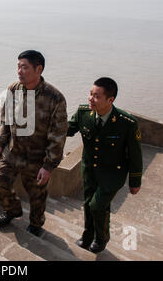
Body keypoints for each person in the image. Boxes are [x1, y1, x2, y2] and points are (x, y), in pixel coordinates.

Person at [0, 50, 68, 236]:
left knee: (37, 195)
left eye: (24, 67)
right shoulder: (13, 89)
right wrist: (0, 143)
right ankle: (13, 210)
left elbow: (58, 135)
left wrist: (48, 165)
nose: (19, 71)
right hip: (12, 152)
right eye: (18, 66)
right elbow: (5, 120)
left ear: (38, 69)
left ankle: (36, 223)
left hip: (36, 158)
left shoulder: (55, 98)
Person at [67, 77, 143, 253]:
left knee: (97, 205)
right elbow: (67, 129)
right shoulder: (83, 113)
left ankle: (101, 239)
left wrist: (135, 181)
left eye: (96, 96)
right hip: (90, 169)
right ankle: (87, 236)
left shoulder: (127, 123)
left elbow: (135, 154)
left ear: (111, 99)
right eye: (90, 94)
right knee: (88, 203)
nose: (90, 99)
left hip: (113, 173)